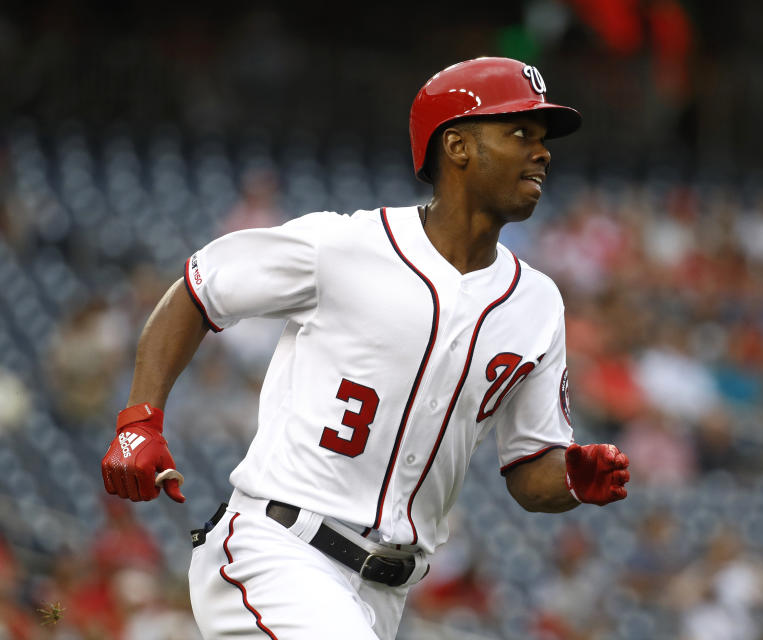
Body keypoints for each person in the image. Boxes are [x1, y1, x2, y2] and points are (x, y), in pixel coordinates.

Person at [100, 57, 631, 640]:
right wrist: (139, 419)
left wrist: (573, 479)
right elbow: (197, 293)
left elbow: (529, 473)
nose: (543, 151)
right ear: (456, 146)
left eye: (542, 138)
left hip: (384, 594)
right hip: (277, 548)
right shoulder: (345, 245)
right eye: (520, 133)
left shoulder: (537, 304)